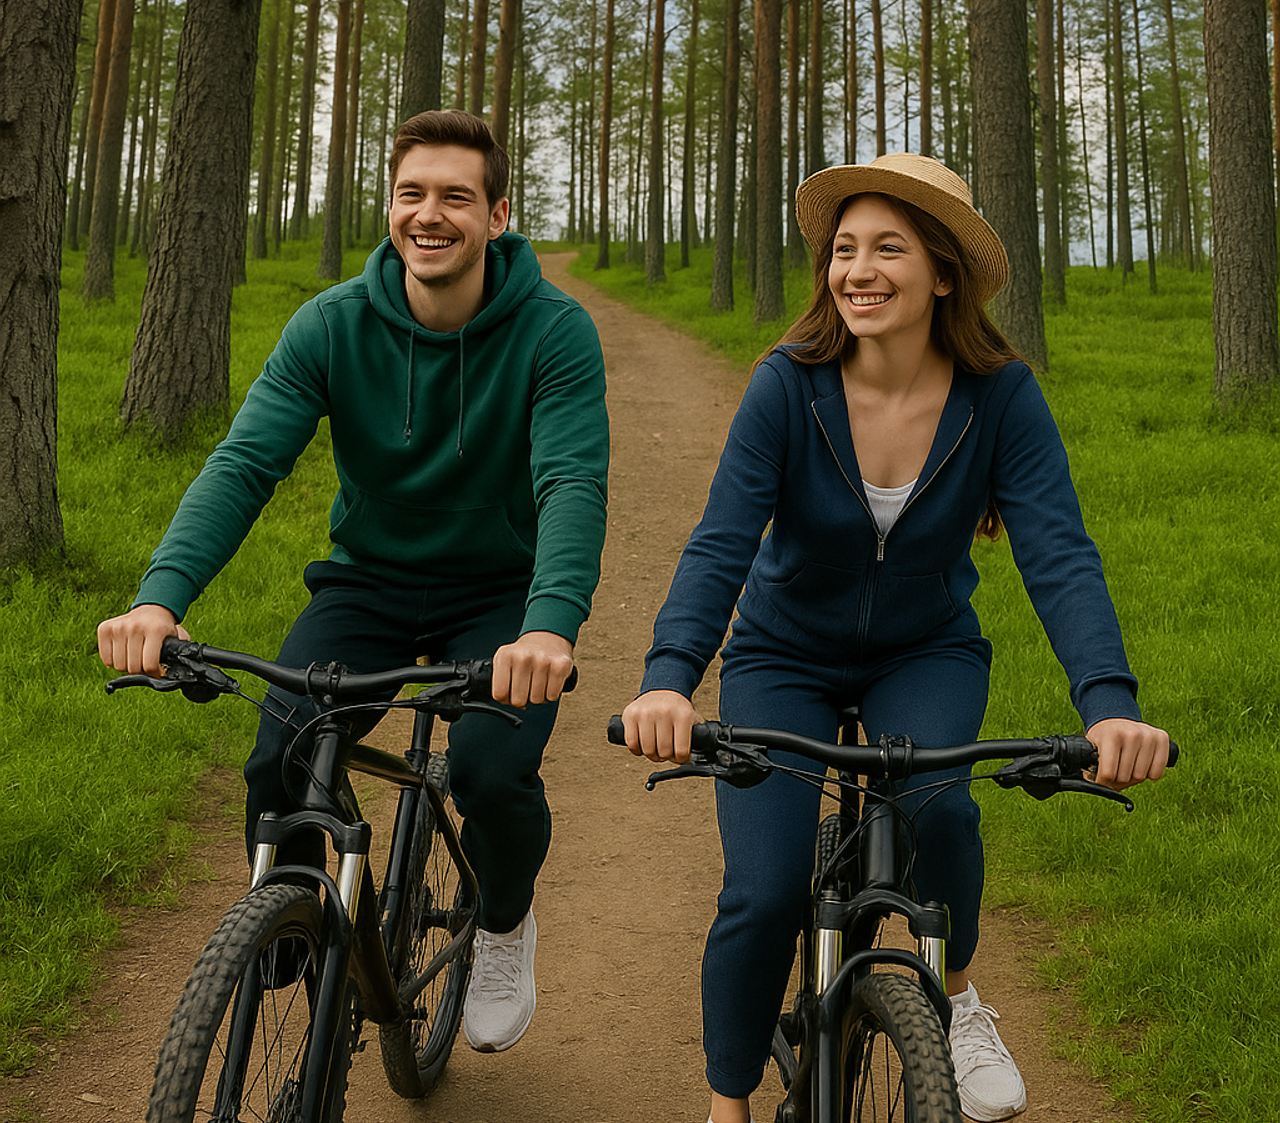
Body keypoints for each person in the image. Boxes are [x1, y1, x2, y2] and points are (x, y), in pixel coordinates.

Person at [622, 153, 1169, 1123]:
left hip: (924, 650)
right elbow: (719, 540)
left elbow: (1058, 554)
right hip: (780, 652)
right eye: (842, 249)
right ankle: (726, 1100)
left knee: (942, 813)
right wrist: (668, 679)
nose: (856, 269)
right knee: (761, 889)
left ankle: (953, 994)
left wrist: (1108, 702)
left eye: (886, 248)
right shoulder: (787, 387)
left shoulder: (998, 396)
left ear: (942, 273)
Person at [98, 109, 610, 1055]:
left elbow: (570, 480)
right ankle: (291, 930)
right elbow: (245, 463)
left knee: (494, 773)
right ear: (390, 207)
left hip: (500, 592)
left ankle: (500, 921)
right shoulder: (331, 324)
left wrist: (548, 625)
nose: (430, 214)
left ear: (498, 214)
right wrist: (159, 597)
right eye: (412, 194)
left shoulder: (553, 331)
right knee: (279, 757)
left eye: (456, 196)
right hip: (369, 583)